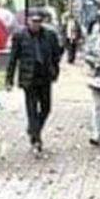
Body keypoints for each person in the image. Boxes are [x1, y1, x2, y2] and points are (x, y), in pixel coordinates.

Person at [6, 8, 63, 153]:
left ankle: (33, 129)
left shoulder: (49, 35)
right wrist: (9, 79)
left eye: (39, 21)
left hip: (44, 76)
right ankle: (36, 138)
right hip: (28, 77)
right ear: (28, 21)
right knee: (31, 108)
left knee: (46, 107)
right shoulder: (20, 36)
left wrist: (55, 70)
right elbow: (13, 59)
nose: (36, 24)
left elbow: (56, 54)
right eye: (33, 21)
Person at [83, 14, 100, 146]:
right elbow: (87, 54)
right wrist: (94, 62)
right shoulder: (94, 38)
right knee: (97, 105)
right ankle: (97, 132)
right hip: (97, 76)